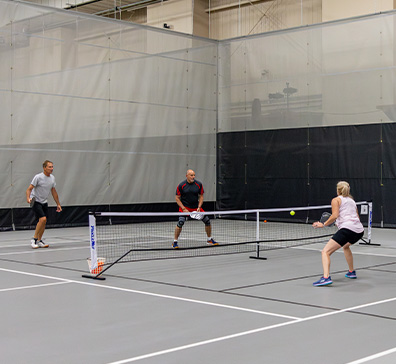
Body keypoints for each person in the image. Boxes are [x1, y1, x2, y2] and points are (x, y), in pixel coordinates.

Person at [312, 181, 364, 287]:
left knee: (325, 252)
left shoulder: (336, 200)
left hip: (347, 230)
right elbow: (355, 217)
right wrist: (340, 224)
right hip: (359, 231)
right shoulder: (352, 201)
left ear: (338, 190)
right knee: (346, 246)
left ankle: (325, 278)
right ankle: (351, 272)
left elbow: (335, 215)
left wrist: (323, 224)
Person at [173, 169, 218, 249]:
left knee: (207, 221)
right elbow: (177, 198)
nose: (193, 177)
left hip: (196, 208)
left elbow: (201, 196)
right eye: (191, 175)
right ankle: (175, 242)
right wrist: (183, 208)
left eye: (194, 175)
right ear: (186, 176)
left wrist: (199, 207)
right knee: (180, 222)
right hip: (185, 208)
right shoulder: (181, 185)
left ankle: (209, 239)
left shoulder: (199, 184)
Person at [26, 160, 62, 249]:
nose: (51, 168)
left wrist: (58, 204)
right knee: (43, 219)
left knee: (44, 221)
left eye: (52, 167)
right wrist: (28, 198)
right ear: (44, 168)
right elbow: (29, 189)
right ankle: (34, 239)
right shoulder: (38, 177)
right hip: (36, 201)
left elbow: (53, 191)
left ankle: (39, 240)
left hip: (44, 202)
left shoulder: (52, 178)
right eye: (49, 167)